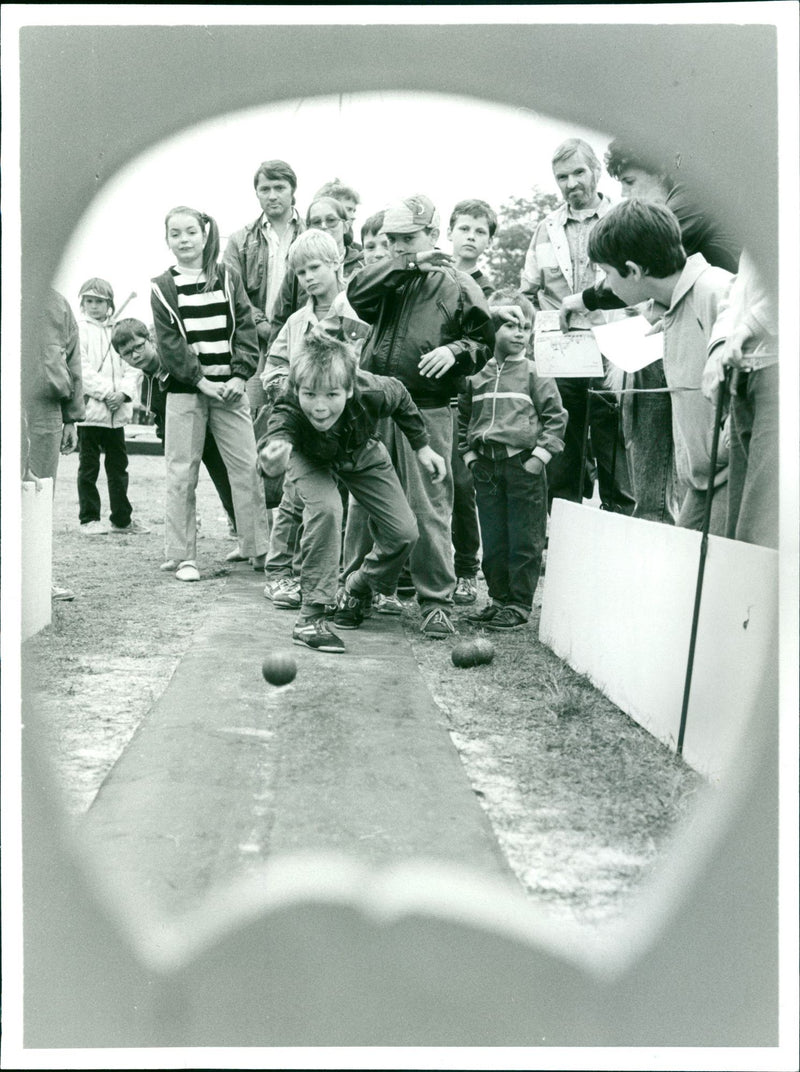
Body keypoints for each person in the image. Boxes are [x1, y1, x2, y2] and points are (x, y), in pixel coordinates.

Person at [558, 138, 742, 524]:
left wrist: (586, 299)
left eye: (629, 181)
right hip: (705, 470)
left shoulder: (692, 204)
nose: (625, 195)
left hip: (729, 465)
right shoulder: (674, 297)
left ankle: (653, 516)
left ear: (662, 171)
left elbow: (642, 255)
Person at [345, 192, 495, 638]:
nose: (397, 246)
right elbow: (356, 294)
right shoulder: (387, 274)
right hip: (375, 406)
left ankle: (435, 601)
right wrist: (405, 264)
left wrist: (455, 350)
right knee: (362, 506)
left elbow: (482, 341)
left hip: (429, 410)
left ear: (432, 235)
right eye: (391, 239)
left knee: (429, 507)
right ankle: (356, 591)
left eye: (408, 238)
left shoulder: (460, 283)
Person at [257, 329, 445, 654]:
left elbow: (401, 396)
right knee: (328, 510)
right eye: (310, 395)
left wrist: (423, 448)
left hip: (360, 450)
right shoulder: (288, 403)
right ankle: (311, 618)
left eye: (331, 395)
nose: (319, 407)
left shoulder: (372, 389)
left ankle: (358, 585)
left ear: (349, 387)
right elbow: (277, 436)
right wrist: (273, 457)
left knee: (404, 532)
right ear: (297, 388)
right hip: (310, 456)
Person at [587, 199, 734, 532]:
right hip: (699, 481)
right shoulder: (669, 306)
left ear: (635, 271)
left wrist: (725, 449)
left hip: (730, 478)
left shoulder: (714, 290)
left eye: (608, 274)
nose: (607, 285)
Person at [150, 206, 270, 581]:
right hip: (188, 392)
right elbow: (169, 345)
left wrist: (239, 377)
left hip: (231, 392)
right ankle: (183, 556)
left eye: (190, 232)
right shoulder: (162, 287)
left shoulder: (227, 277)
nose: (183, 240)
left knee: (246, 467)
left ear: (204, 235)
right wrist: (200, 381)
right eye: (175, 234)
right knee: (181, 474)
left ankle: (257, 548)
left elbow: (247, 330)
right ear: (167, 240)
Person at [521, 138, 634, 514]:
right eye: (562, 177)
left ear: (597, 172)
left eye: (579, 172)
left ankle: (620, 531)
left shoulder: (625, 218)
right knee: (562, 449)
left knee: (615, 448)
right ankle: (564, 540)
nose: (571, 183)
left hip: (613, 351)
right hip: (561, 357)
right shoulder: (545, 229)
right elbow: (527, 291)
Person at [260, 229, 370, 611]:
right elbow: (273, 366)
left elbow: (360, 371)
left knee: (336, 503)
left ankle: (326, 577)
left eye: (315, 268)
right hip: (301, 424)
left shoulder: (355, 316)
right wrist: (282, 387)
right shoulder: (295, 322)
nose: (308, 277)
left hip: (341, 425)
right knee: (293, 499)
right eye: (300, 271)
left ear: (336, 263)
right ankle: (279, 574)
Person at [459, 290, 567, 628]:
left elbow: (556, 418)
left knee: (525, 537)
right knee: (493, 538)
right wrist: (471, 457)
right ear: (491, 328)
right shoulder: (476, 376)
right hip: (486, 468)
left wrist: (538, 459)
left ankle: (519, 604)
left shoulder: (536, 373)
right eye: (510, 325)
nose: (520, 334)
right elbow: (463, 418)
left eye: (526, 327)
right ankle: (497, 599)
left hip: (523, 466)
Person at [111, 317, 239, 543]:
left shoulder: (176, 366)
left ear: (150, 340)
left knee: (227, 484)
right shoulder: (147, 379)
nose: (135, 355)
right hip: (177, 437)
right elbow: (159, 416)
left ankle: (242, 534)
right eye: (127, 353)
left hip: (208, 432)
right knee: (180, 487)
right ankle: (185, 537)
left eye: (139, 347)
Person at [702, 251, 778, 548]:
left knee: (759, 523)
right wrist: (720, 346)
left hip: (778, 371)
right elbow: (736, 292)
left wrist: (747, 328)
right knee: (738, 525)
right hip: (744, 373)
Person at [446, 198, 497, 605]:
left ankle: (466, 569)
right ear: (449, 232)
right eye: (464, 228)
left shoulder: (490, 291)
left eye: (480, 231)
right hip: (431, 392)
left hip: (468, 399)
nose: (471, 236)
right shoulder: (437, 279)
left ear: (488, 242)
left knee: (464, 484)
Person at [222, 159, 304, 410]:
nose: (272, 195)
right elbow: (232, 293)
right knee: (254, 416)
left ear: (293, 191)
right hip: (254, 346)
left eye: (279, 188)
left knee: (300, 412)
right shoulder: (240, 240)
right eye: (265, 189)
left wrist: (287, 331)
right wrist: (264, 328)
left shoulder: (310, 234)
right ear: (256, 193)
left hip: (302, 341)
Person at [21, 288, 85, 600]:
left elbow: (72, 360)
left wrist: (71, 417)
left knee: (41, 494)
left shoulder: (59, 303)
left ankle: (38, 578)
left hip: (47, 408)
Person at [75, 277, 149, 536]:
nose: (94, 306)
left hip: (116, 415)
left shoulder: (119, 330)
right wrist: (107, 393)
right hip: (91, 413)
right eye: (89, 301)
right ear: (83, 303)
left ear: (110, 304)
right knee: (89, 468)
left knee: (118, 468)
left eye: (100, 301)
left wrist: (124, 394)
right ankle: (89, 519)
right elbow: (80, 369)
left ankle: (121, 519)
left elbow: (132, 364)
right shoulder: (79, 329)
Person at [268, 196, 364, 349]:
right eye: (316, 222)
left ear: (345, 226)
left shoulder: (363, 267)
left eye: (331, 220)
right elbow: (280, 320)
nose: (324, 226)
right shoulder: (295, 272)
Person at [314, 179, 362, 247]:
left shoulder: (360, 252)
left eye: (354, 211)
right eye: (348, 209)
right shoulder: (304, 249)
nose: (353, 216)